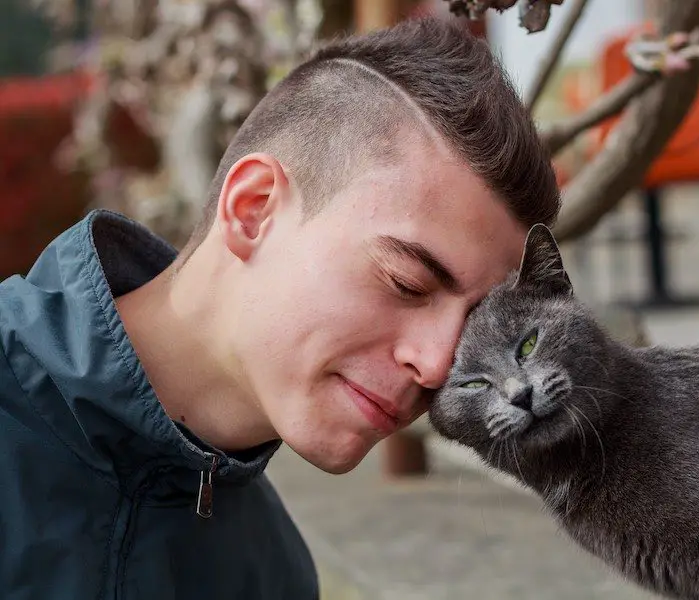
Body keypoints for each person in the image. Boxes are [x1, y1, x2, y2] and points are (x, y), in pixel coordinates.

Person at [0, 15, 560, 599]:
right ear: (254, 208)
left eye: (472, 326)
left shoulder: (277, 574)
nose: (440, 366)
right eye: (408, 283)